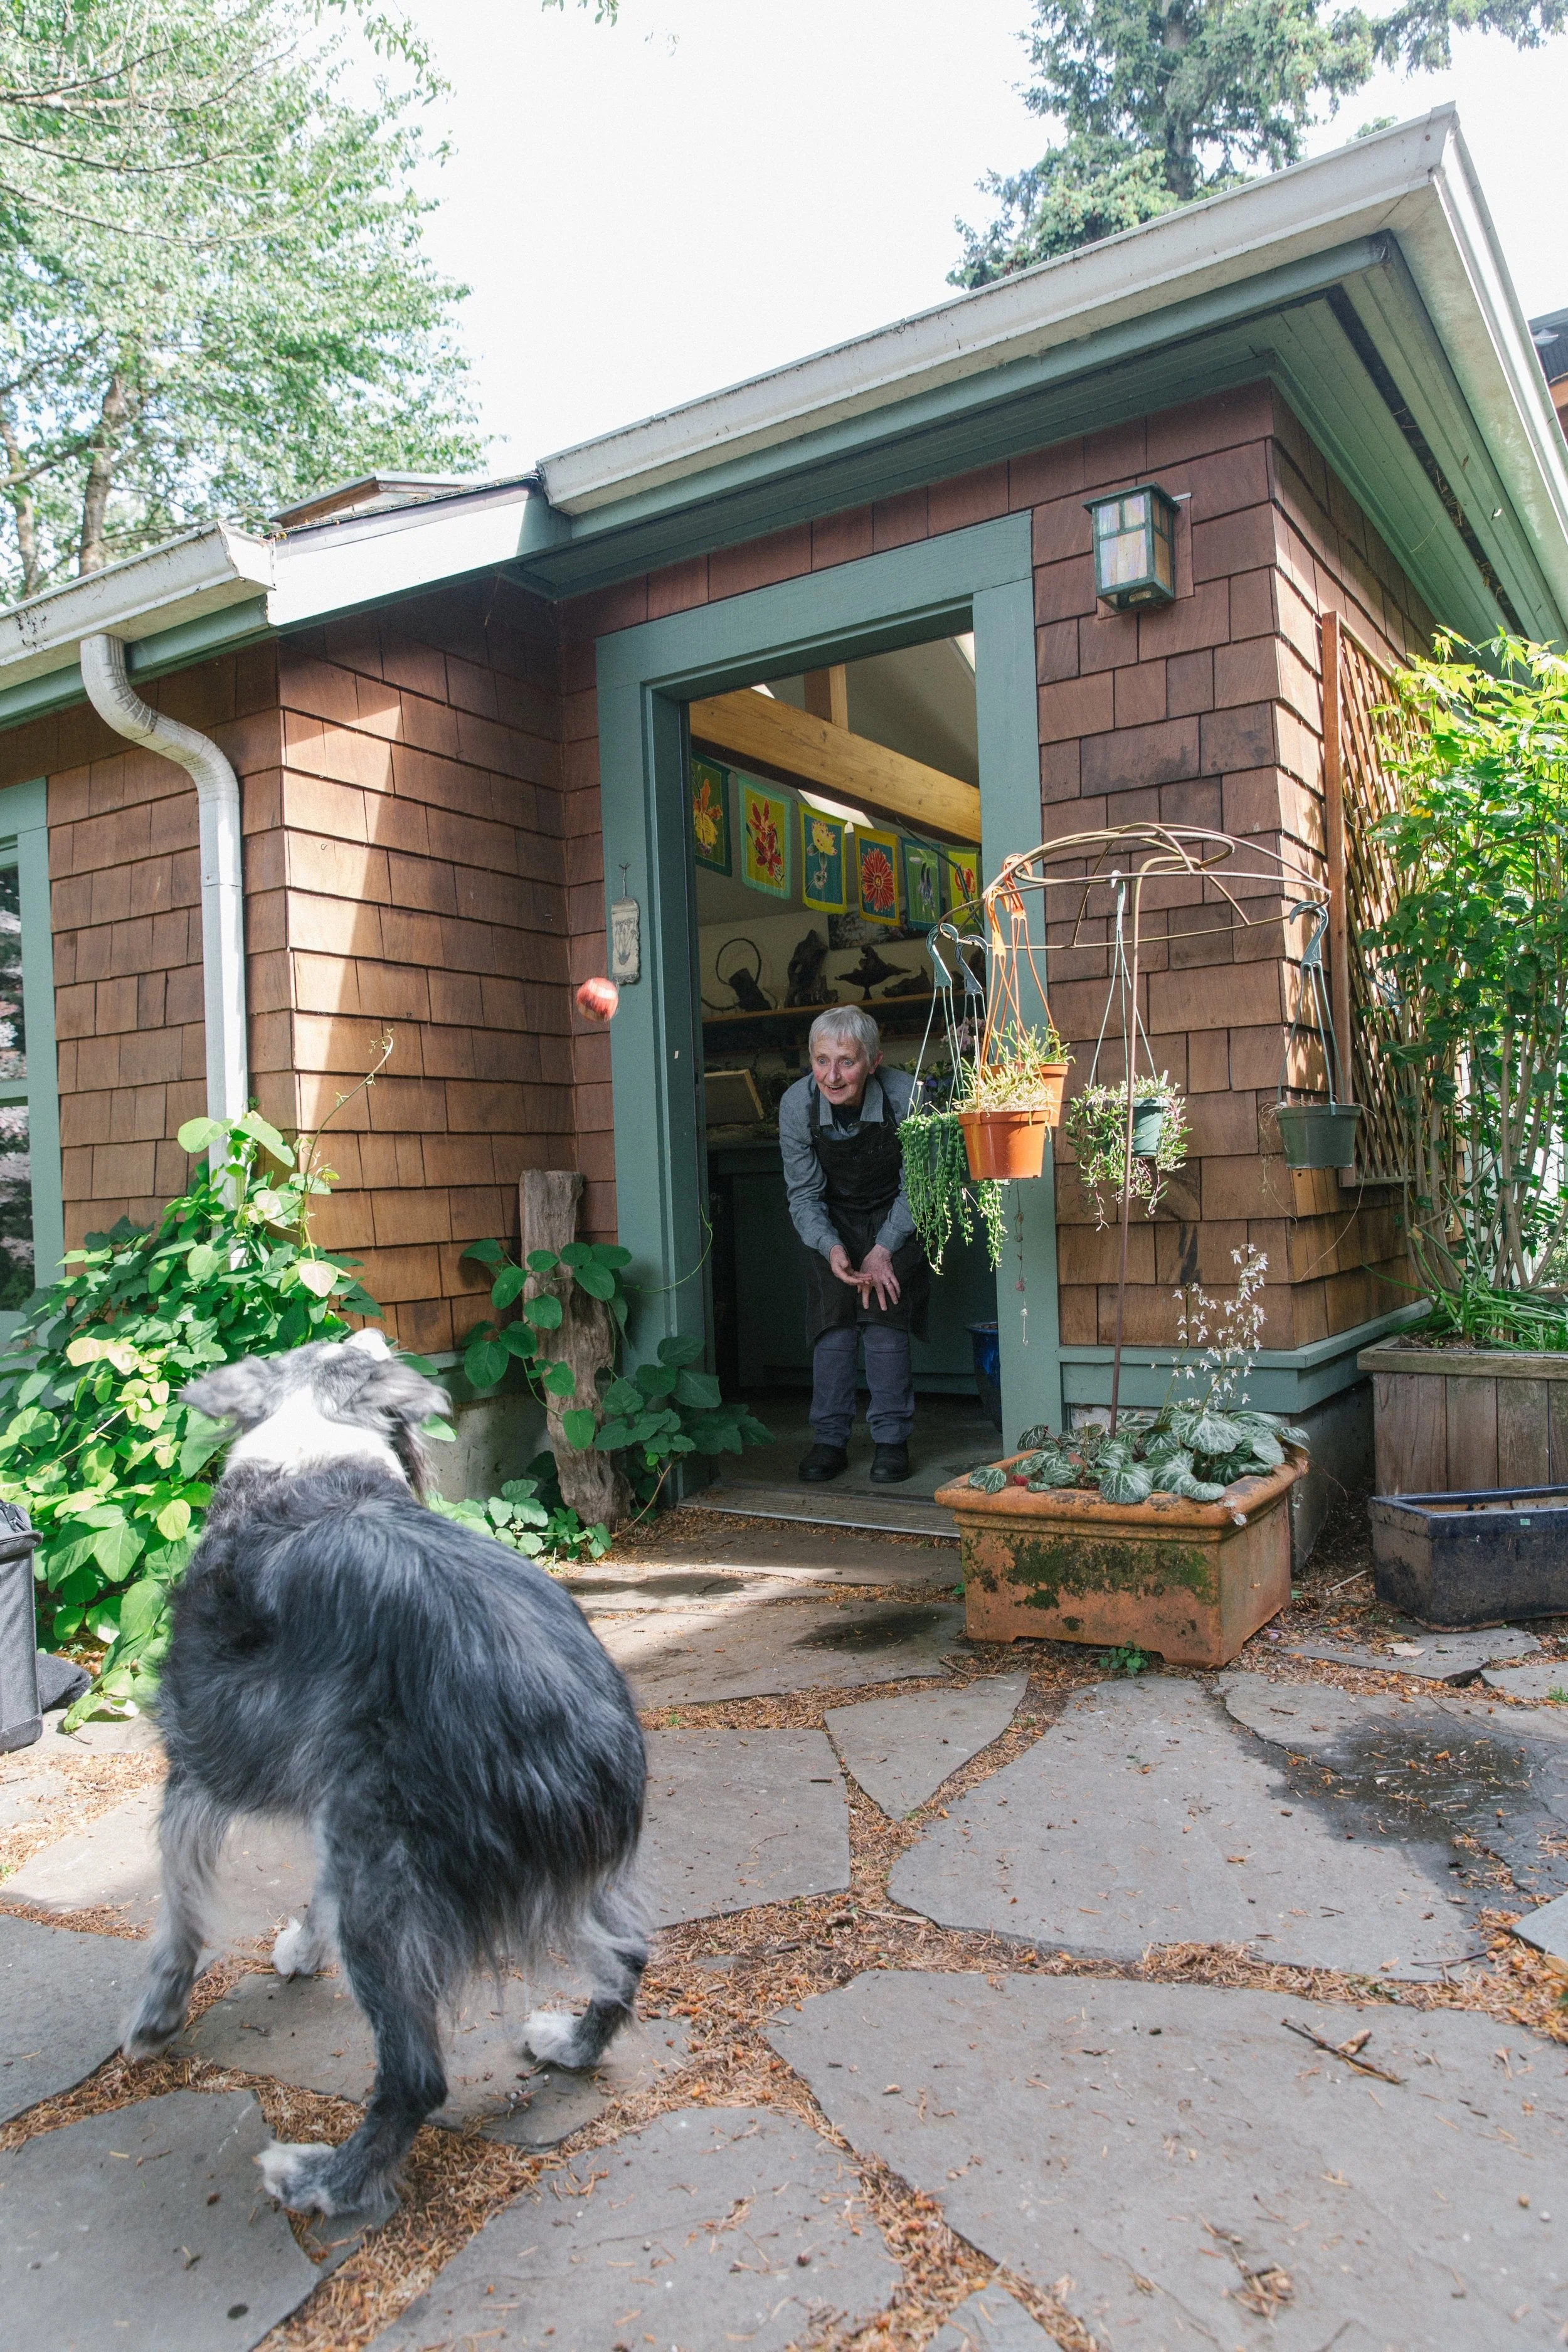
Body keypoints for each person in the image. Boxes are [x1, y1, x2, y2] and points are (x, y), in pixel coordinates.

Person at [778, 1005, 930, 1485]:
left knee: (884, 1320)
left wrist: (884, 1246)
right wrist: (829, 1246)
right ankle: (829, 1441)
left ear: (874, 1061)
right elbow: (803, 1193)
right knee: (833, 1325)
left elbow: (921, 1187)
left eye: (846, 1061)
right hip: (831, 1218)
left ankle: (891, 1442)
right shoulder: (796, 1105)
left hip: (897, 1217)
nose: (833, 1075)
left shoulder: (907, 1097)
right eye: (822, 1060)